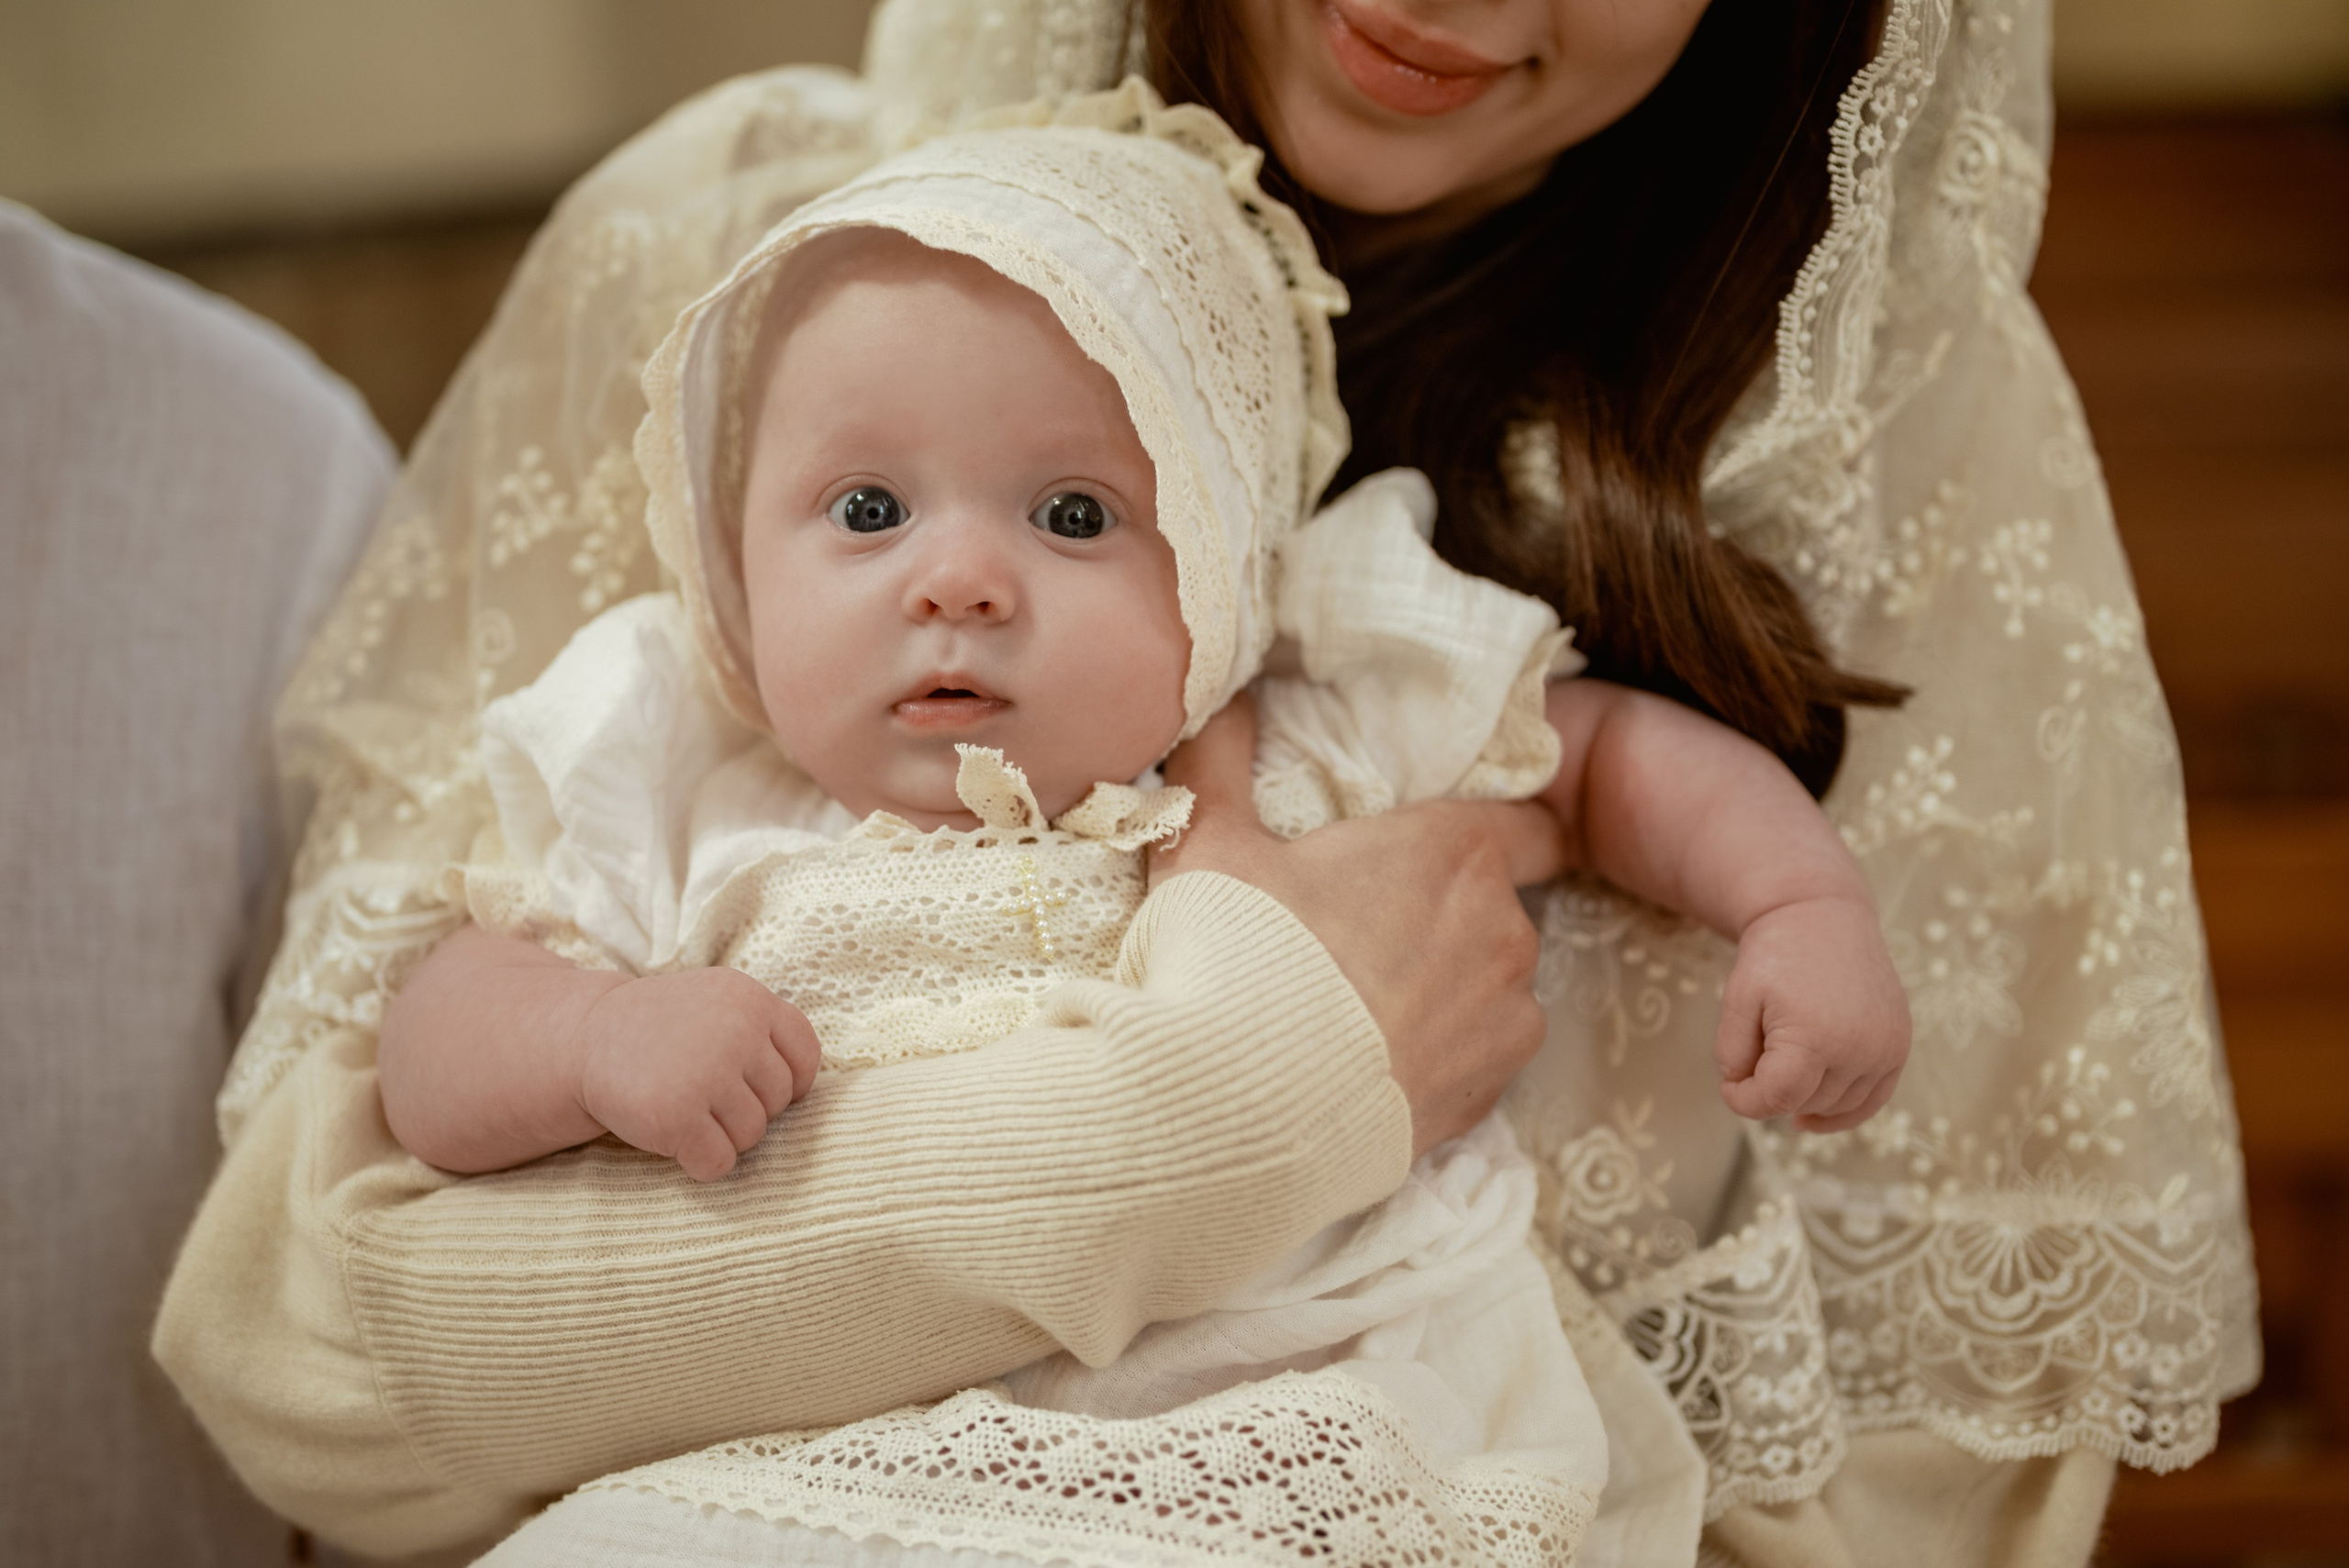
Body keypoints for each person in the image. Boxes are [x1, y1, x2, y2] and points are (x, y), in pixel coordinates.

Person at [153, 3, 2256, 1565]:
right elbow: (307, 1360)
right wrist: (1225, 1104)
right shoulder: (748, 352)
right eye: (865, 511)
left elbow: (1603, 766)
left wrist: (1794, 902)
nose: (954, 581)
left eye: (1081, 516)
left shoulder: (1406, 639)